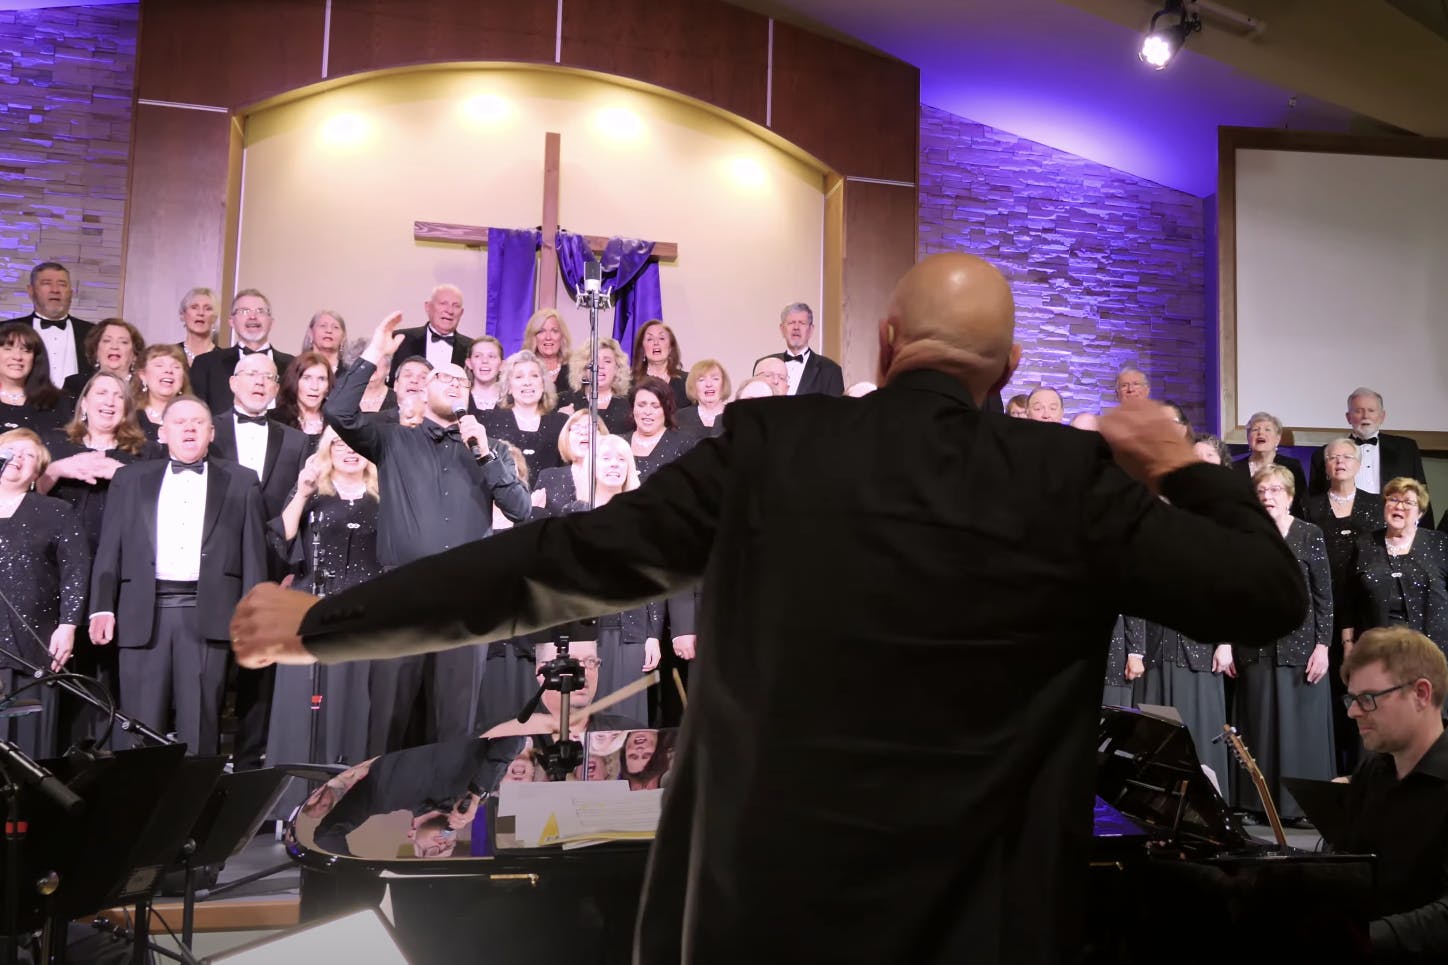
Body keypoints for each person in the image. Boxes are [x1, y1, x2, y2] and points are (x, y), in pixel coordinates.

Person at [233, 252, 1309, 964]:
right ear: (1011, 368)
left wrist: (322, 622)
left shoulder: (763, 447)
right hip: (981, 926)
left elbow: (547, 563)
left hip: (760, 917)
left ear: (883, 343)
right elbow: (1264, 595)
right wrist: (1175, 461)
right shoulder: (1067, 478)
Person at [324, 312, 530, 753]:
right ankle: (379, 814)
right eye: (444, 378)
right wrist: (374, 354)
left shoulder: (489, 452)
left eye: (462, 380)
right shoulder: (392, 440)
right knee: (389, 723)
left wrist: (484, 455)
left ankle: (443, 816)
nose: (455, 384)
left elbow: (521, 509)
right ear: (423, 389)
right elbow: (338, 411)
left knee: (454, 726)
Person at [90, 396, 267, 754]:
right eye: (180, 421)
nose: (189, 428)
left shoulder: (241, 481)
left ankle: (195, 808)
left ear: (211, 432)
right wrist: (100, 606)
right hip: (143, 612)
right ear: (162, 432)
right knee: (138, 726)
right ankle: (142, 809)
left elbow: (253, 555)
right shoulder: (130, 478)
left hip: (209, 613)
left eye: (198, 422)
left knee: (201, 726)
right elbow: (110, 547)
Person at [265, 429, 379, 814]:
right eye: (340, 445)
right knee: (300, 708)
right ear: (327, 450)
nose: (349, 452)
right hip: (309, 611)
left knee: (352, 705)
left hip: (361, 617)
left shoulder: (387, 498)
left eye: (356, 445)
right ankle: (291, 806)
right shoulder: (313, 493)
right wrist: (301, 490)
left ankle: (344, 802)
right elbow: (281, 538)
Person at [37, 373, 155, 745]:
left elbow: (162, 506)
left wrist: (126, 475)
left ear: (127, 409)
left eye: (118, 396)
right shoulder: (55, 446)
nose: (109, 401)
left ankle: (104, 751)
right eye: (100, 393)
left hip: (118, 575)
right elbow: (23, 496)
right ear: (83, 403)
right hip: (57, 573)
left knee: (109, 669)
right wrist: (56, 470)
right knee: (59, 664)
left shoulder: (144, 454)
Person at [1232, 465, 1336, 823]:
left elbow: (1324, 595)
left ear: (1290, 497)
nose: (1268, 498)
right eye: (1262, 492)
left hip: (1301, 647)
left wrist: (1323, 645)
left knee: (1300, 729)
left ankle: (1301, 808)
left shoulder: (1310, 534)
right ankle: (1256, 805)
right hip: (1255, 646)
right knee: (1259, 725)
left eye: (1275, 491)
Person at [1338, 626, 1448, 959]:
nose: (1352, 711)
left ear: (1421, 694)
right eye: (1352, 698)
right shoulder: (1373, 773)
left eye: (1367, 698)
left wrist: (1360, 940)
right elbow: (1345, 868)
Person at [0, 429, 88, 760]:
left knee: (30, 751)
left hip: (35, 644)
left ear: (39, 472)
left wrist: (68, 626)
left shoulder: (55, 511)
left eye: (29, 455)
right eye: (11, 451)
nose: (18, 458)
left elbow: (75, 572)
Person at [1304, 438, 1385, 772]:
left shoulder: (1377, 504)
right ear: (1326, 466)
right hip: (1321, 611)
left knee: (1364, 689)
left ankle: (1364, 770)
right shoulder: (1310, 506)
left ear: (1358, 463)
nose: (1339, 462)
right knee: (1328, 691)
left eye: (1346, 456)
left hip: (1365, 612)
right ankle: (1331, 768)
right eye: (1332, 457)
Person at [1350, 477, 1448, 655]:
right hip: (1378, 649)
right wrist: (1348, 643)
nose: (1399, 506)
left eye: (1408, 502)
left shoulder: (1439, 543)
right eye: (1393, 499)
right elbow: (1349, 598)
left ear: (1420, 513)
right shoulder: (1365, 543)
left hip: (1432, 650)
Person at [1309, 388, 1431, 526]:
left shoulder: (1406, 449)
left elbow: (1421, 494)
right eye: (1358, 411)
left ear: (1382, 416)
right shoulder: (1323, 454)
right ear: (1348, 417)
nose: (1365, 416)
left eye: (1371, 411)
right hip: (1343, 528)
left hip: (1394, 527)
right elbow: (1315, 501)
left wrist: (1427, 535)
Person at [188, 289, 295, 415]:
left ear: (271, 322)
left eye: (260, 311)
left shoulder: (292, 365)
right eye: (244, 311)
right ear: (231, 321)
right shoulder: (206, 364)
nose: (252, 316)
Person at [481, 350, 568, 484]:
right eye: (519, 377)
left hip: (550, 502)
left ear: (543, 384)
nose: (527, 382)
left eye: (534, 376)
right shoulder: (489, 421)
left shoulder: (561, 423)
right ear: (509, 387)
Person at [4, 261, 92, 387]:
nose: (55, 290)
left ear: (71, 293)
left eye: (62, 284)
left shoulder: (93, 333)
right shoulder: (6, 330)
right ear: (31, 291)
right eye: (47, 283)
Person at [386, 285, 472, 385]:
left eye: (456, 306)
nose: (450, 311)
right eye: (443, 303)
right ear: (428, 307)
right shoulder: (400, 340)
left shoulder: (472, 348)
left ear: (461, 313)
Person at [531, 409, 608, 516]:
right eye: (577, 428)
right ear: (566, 438)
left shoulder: (612, 474)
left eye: (590, 428)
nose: (584, 433)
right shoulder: (548, 477)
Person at [0, 321, 71, 436]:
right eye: (8, 348)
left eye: (26, 350)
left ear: (35, 358)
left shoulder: (57, 402)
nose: (17, 357)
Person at [1232, 411, 1307, 518]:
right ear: (1248, 438)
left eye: (1267, 429)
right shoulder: (1234, 469)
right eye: (1255, 430)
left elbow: (1300, 505)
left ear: (1277, 439)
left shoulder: (1292, 466)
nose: (1260, 433)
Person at [624, 376, 694, 481]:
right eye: (641, 405)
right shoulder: (619, 443)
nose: (647, 412)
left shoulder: (685, 444)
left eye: (655, 406)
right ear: (633, 408)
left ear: (666, 409)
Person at [561, 336, 633, 433]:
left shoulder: (630, 403)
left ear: (617, 368)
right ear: (583, 367)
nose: (600, 366)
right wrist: (559, 420)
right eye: (594, 361)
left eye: (607, 361)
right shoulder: (564, 400)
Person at [770, 302, 843, 397]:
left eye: (802, 323)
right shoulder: (765, 365)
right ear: (782, 329)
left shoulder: (831, 370)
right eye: (791, 323)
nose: (796, 327)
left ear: (811, 330)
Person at [61, 318, 144, 399]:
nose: (114, 346)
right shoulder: (75, 384)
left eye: (123, 342)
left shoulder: (145, 386)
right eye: (107, 341)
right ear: (95, 350)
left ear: (135, 354)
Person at [272, 351, 334, 451]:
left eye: (321, 379)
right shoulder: (275, 420)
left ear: (328, 386)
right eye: (307, 378)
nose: (315, 386)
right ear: (294, 382)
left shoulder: (337, 421)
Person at [134, 344, 191, 443]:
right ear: (143, 376)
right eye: (159, 365)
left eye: (176, 367)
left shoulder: (194, 418)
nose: (168, 370)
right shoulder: (129, 418)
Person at [631, 321, 688, 405]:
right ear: (642, 349)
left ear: (670, 348)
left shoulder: (687, 381)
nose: (656, 343)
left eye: (661, 338)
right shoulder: (630, 383)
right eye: (650, 339)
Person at [675, 360, 729, 439]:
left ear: (724, 384)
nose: (709, 384)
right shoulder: (679, 417)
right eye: (701, 380)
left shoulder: (736, 416)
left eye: (715, 379)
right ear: (693, 386)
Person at [521, 308, 572, 390]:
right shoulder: (522, 369)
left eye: (554, 331)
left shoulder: (574, 371)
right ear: (533, 337)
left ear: (562, 336)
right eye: (541, 331)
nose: (548, 337)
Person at [176, 286, 218, 365]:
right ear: (182, 315)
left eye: (208, 308)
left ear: (214, 318)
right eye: (194, 307)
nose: (201, 313)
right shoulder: (170, 355)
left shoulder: (224, 360)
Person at [463, 335, 504, 414]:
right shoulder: (459, 399)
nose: (485, 361)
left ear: (502, 365)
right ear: (469, 363)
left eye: (491, 356)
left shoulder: (512, 402)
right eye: (478, 356)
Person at [300, 310, 348, 375]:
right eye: (323, 326)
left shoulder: (351, 373)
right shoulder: (297, 368)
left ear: (343, 337)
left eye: (335, 327)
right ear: (310, 333)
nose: (329, 330)